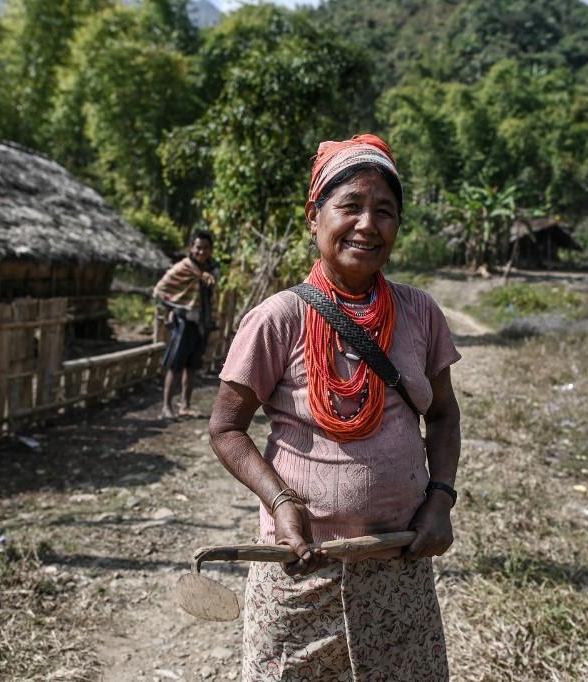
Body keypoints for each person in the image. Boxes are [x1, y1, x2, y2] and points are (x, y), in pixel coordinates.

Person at [209, 134, 462, 681]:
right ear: (315, 216)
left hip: (398, 559)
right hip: (301, 566)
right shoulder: (278, 319)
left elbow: (442, 414)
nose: (368, 225)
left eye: (385, 212)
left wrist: (440, 500)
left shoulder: (420, 314)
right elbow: (227, 428)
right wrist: (280, 501)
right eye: (350, 206)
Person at [153, 230, 219, 419]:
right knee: (175, 365)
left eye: (206, 248)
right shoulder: (184, 267)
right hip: (184, 322)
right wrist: (173, 309)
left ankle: (185, 405)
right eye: (198, 247)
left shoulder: (211, 269)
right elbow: (160, 289)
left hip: (201, 323)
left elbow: (211, 296)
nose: (202, 252)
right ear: (191, 247)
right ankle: (166, 407)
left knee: (192, 367)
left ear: (210, 250)